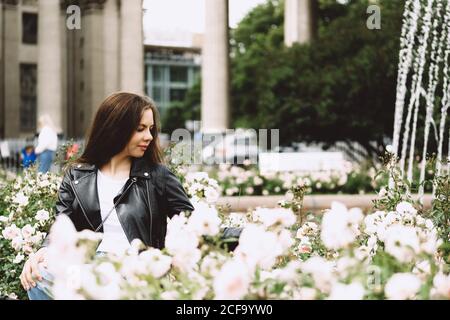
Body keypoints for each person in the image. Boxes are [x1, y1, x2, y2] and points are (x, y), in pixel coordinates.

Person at [20, 92, 241, 300]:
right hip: (87, 267)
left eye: (151, 129)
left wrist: (251, 234)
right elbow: (61, 227)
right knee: (37, 274)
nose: (149, 136)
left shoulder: (158, 177)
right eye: (140, 129)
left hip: (135, 269)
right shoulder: (78, 176)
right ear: (115, 128)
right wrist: (43, 252)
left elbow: (196, 227)